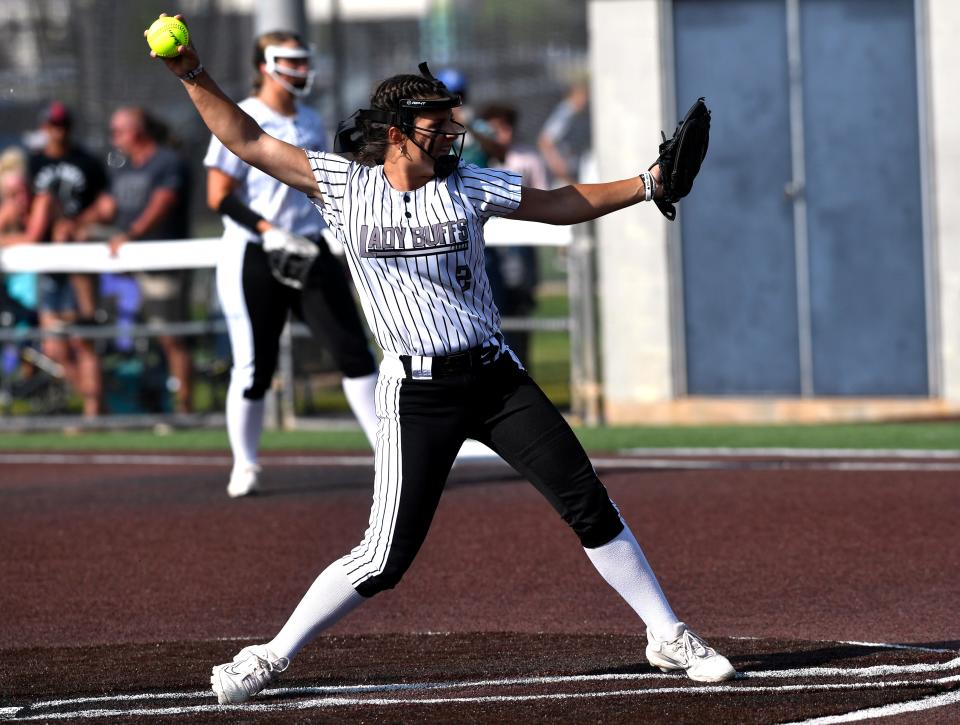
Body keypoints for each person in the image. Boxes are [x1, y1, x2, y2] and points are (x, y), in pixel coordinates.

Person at [150, 15, 735, 705]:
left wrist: (647, 182)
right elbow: (243, 138)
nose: (451, 133)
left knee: (586, 499)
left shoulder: (470, 185)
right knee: (382, 558)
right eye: (435, 124)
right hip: (416, 392)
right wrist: (189, 71)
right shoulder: (344, 186)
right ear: (396, 131)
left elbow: (558, 203)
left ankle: (665, 632)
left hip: (495, 378)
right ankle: (268, 655)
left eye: (450, 122)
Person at [203, 31, 380, 497]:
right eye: (291, 61)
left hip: (308, 246)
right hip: (254, 253)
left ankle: (389, 454)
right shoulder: (244, 117)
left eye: (305, 61)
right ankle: (245, 463)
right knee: (254, 366)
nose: (301, 70)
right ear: (265, 64)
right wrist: (268, 233)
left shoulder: (311, 118)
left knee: (353, 351)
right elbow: (218, 196)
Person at [3, 103, 107, 417]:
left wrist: (78, 225)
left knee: (82, 341)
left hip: (76, 264)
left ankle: (94, 413)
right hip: (50, 268)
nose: (57, 131)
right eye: (52, 125)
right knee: (54, 347)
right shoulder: (34, 165)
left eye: (62, 125)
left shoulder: (84, 162)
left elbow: (104, 205)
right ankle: (96, 407)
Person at [89, 106, 194, 413]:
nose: (114, 138)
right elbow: (107, 207)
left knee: (171, 337)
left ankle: (183, 408)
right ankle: (110, 406)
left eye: (118, 131)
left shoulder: (167, 162)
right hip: (125, 264)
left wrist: (130, 234)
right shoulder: (122, 167)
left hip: (161, 263)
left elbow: (163, 203)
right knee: (108, 333)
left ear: (138, 131)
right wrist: (79, 223)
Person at [477, 102, 548, 362]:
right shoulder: (476, 161)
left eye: (505, 127)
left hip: (520, 244)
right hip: (487, 247)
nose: (501, 134)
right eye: (494, 129)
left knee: (519, 304)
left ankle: (520, 366)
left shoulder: (528, 157)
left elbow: (545, 197)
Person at [538, 78, 591, 187]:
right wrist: (560, 169)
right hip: (563, 177)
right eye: (584, 95)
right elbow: (545, 142)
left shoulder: (578, 113)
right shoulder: (566, 113)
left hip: (572, 173)